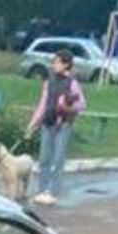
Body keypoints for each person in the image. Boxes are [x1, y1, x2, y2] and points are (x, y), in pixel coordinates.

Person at [25, 49, 85, 201]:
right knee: (44, 157)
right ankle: (42, 189)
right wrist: (33, 123)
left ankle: (52, 191)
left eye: (57, 62)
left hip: (63, 124)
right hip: (48, 122)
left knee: (58, 158)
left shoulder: (72, 83)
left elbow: (82, 105)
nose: (54, 65)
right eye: (54, 62)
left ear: (66, 65)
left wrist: (67, 107)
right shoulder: (49, 81)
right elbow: (42, 104)